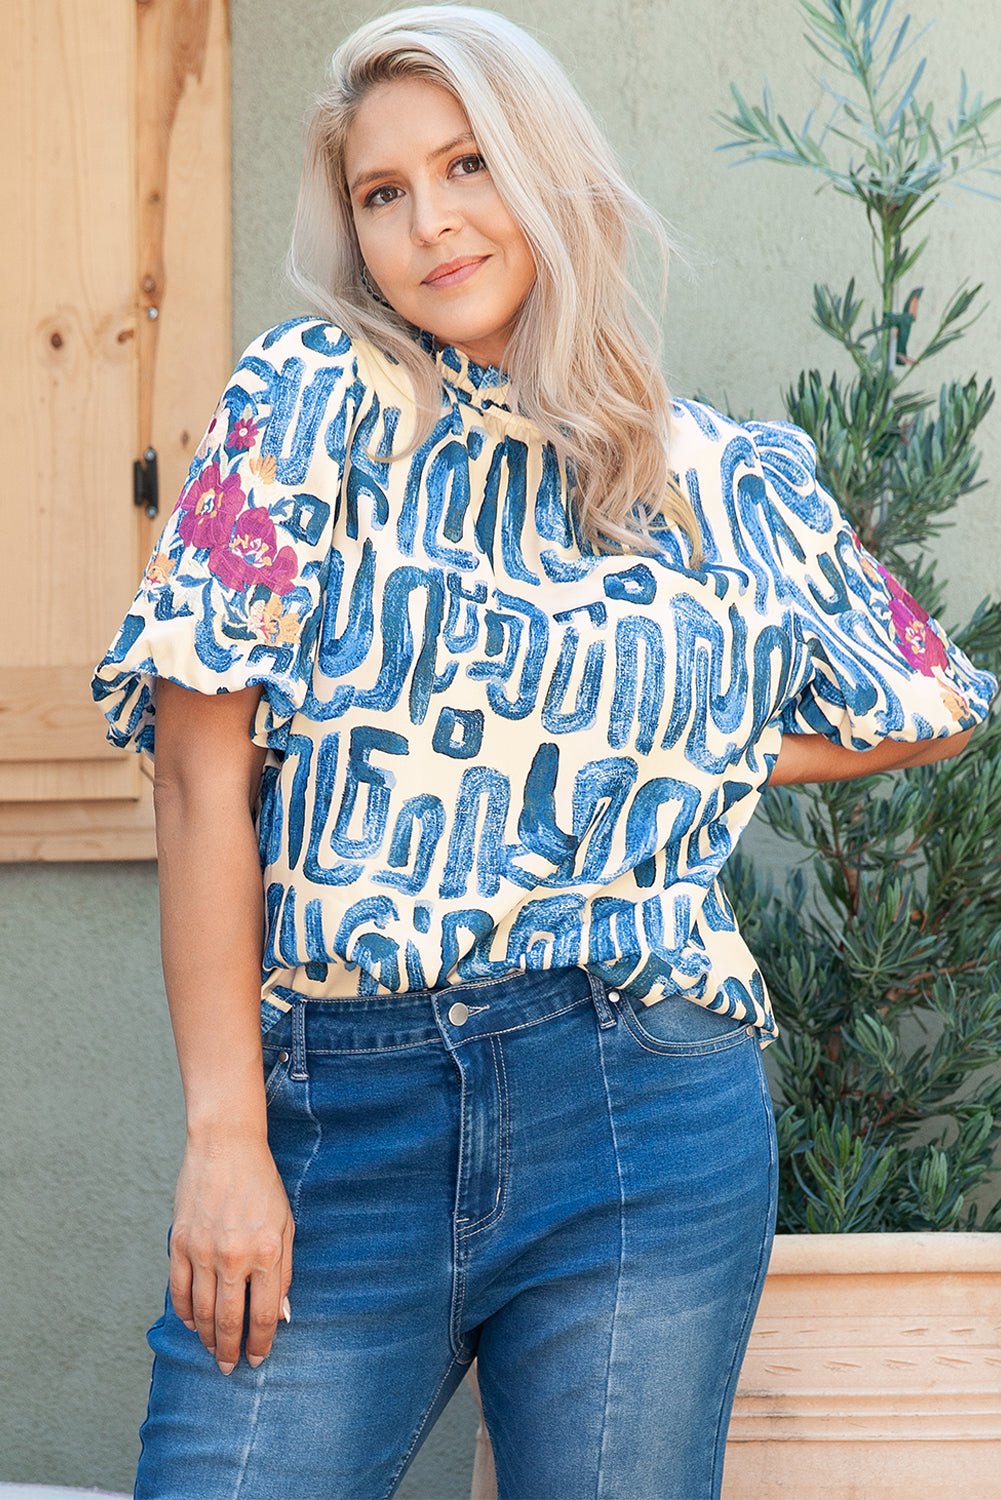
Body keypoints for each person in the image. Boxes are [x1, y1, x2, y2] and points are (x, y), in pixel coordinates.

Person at [92, 7, 995, 1497]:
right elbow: (198, 781)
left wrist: (673, 757)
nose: (430, 222)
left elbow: (929, 699)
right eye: (384, 193)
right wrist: (221, 1135)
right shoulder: (303, 408)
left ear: (551, 175)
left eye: (467, 166)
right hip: (339, 1109)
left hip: (643, 1100)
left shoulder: (718, 473)